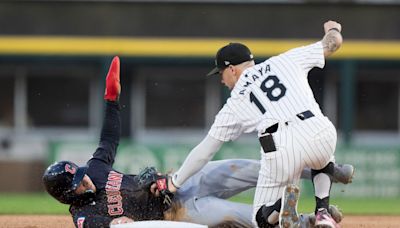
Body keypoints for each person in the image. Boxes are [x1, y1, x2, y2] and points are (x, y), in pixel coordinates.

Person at [42, 56, 351, 228]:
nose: (88, 182)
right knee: (247, 218)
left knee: (255, 168)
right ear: (68, 196)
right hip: (178, 211)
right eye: (80, 185)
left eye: (83, 176)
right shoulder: (85, 216)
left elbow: (109, 138)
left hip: (181, 182)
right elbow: (124, 227)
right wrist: (135, 204)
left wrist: (112, 99)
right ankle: (309, 222)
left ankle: (320, 169)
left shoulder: (94, 170)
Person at [167, 20, 345, 228]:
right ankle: (323, 211)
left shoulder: (235, 102)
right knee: (322, 160)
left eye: (221, 73)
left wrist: (174, 182)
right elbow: (333, 43)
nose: (221, 80)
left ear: (232, 69)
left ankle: (281, 204)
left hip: (282, 147)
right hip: (320, 130)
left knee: (260, 220)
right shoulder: (286, 60)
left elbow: (205, 151)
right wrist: (333, 29)